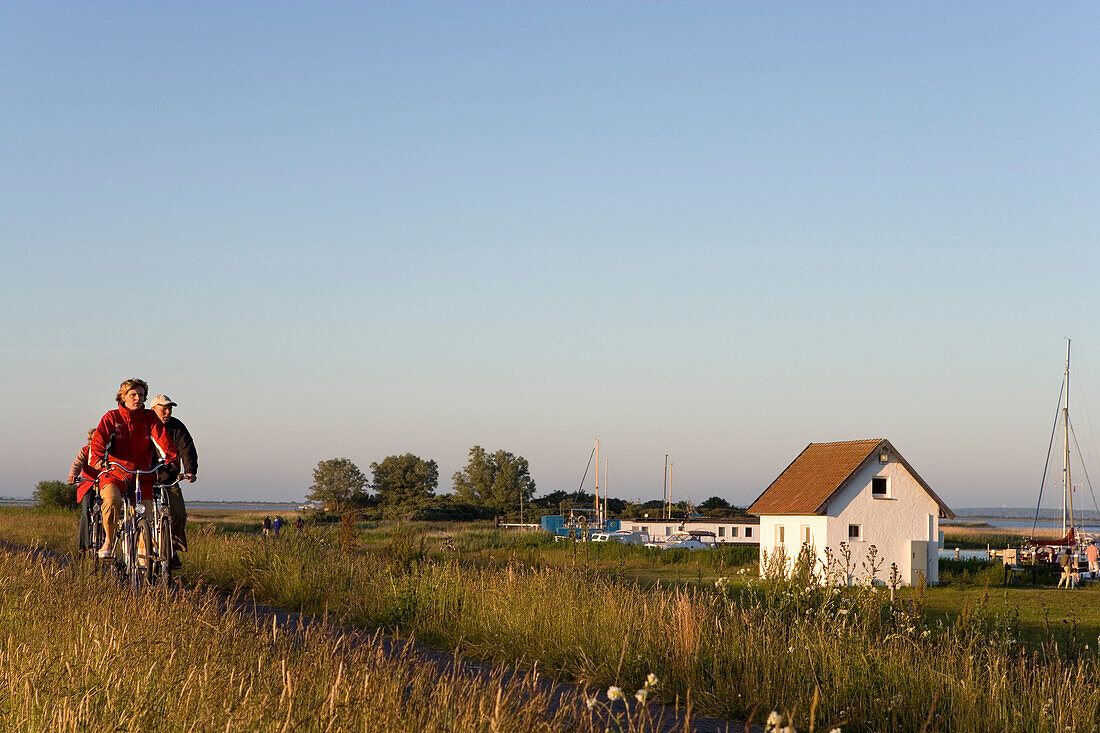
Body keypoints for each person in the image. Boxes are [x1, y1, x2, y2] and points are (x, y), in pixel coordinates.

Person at [89, 378, 179, 559]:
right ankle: (109, 540)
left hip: (142, 475)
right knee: (112, 500)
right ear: (123, 397)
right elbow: (99, 441)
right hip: (115, 473)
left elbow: (162, 440)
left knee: (146, 514)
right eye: (133, 395)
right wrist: (98, 459)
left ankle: (141, 555)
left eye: (141, 395)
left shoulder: (150, 418)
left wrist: (172, 459)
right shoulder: (112, 417)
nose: (138, 398)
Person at [150, 394, 198, 567]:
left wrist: (190, 471)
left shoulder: (176, 426)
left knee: (178, 512)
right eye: (164, 409)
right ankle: (139, 547)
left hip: (169, 477)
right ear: (154, 409)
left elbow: (187, 448)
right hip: (146, 477)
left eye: (170, 409)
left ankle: (173, 549)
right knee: (139, 513)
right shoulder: (144, 424)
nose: (168, 412)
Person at [68, 429, 100, 556]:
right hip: (88, 484)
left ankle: (103, 541)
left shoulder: (106, 452)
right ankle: (83, 545)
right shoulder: (85, 451)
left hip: (103, 484)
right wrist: (73, 475)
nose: (94, 442)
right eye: (93, 440)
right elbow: (77, 464)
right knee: (86, 511)